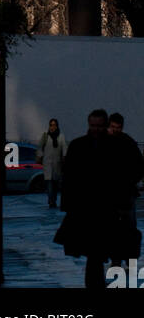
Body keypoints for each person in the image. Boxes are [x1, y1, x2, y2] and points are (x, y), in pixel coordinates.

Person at [54, 109, 141, 288]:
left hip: (108, 206)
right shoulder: (80, 146)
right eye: (93, 126)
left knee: (100, 251)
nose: (96, 129)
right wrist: (69, 205)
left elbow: (133, 169)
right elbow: (69, 177)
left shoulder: (117, 145)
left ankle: (103, 278)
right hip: (89, 207)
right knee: (95, 253)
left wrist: (124, 190)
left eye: (99, 126)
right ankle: (98, 282)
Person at [36, 118, 66, 209]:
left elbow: (64, 148)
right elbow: (40, 147)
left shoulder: (61, 136)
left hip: (57, 164)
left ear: (57, 126)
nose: (52, 127)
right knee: (49, 183)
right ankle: (51, 200)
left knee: (55, 184)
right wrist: (40, 156)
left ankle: (53, 199)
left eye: (54, 125)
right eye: (51, 125)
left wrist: (64, 157)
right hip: (47, 164)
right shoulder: (45, 136)